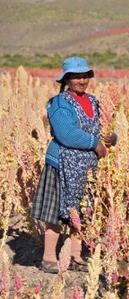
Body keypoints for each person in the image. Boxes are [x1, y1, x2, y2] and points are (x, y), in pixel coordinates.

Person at [31, 56, 115, 273]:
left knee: (82, 213)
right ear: (66, 79)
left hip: (86, 169)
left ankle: (76, 256)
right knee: (56, 213)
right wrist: (94, 143)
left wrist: (110, 138)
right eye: (76, 76)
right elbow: (66, 134)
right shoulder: (59, 103)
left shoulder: (93, 101)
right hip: (61, 164)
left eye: (84, 76)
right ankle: (49, 258)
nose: (81, 80)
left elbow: (101, 129)